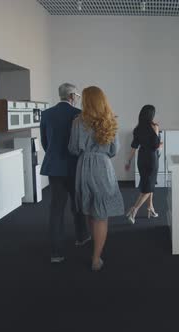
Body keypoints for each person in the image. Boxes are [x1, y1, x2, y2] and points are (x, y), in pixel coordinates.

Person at [68, 86, 124, 271]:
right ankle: (96, 258)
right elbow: (114, 150)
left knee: (90, 208)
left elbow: (73, 149)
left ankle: (95, 249)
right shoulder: (110, 121)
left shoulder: (78, 122)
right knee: (101, 213)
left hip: (83, 166)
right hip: (102, 166)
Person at [40, 83, 90, 264]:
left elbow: (45, 143)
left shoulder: (46, 114)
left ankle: (56, 252)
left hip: (54, 167)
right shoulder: (78, 115)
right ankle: (82, 236)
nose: (77, 98)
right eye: (76, 95)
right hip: (74, 166)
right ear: (72, 96)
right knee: (77, 204)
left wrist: (55, 157)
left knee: (56, 209)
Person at [124, 105, 163, 224]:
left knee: (149, 183)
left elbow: (134, 147)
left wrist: (128, 161)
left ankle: (150, 207)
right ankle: (134, 210)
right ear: (151, 115)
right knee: (148, 186)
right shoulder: (154, 127)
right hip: (151, 158)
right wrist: (161, 144)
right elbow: (156, 146)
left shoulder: (137, 129)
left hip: (141, 158)